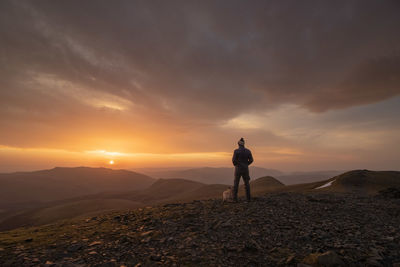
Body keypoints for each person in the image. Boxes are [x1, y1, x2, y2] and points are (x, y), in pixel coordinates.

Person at [232, 137, 253, 202]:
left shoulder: (236, 151)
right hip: (245, 169)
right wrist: (246, 164)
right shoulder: (248, 151)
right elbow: (251, 160)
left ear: (238, 144)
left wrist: (237, 165)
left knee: (236, 183)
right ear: (244, 144)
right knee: (247, 183)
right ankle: (248, 199)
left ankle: (235, 199)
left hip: (238, 169)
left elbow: (233, 160)